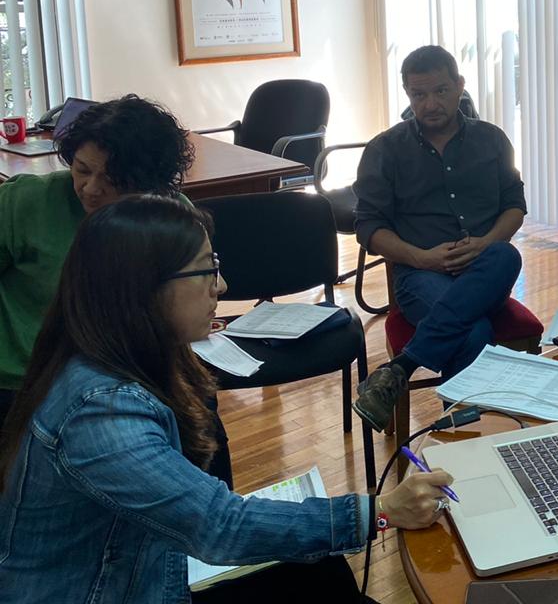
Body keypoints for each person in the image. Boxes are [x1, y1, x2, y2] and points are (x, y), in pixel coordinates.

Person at [0, 195, 453, 603]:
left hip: (143, 566)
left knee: (320, 570)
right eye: (207, 270)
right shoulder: (101, 412)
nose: (220, 286)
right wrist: (380, 511)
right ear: (146, 289)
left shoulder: (122, 356)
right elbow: (220, 526)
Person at [353, 46, 526, 430]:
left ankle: (401, 367)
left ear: (460, 85)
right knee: (475, 331)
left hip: (485, 271)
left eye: (441, 91)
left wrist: (485, 242)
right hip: (420, 276)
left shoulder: (492, 140)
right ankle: (465, 434)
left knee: (506, 256)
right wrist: (421, 257)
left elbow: (515, 205)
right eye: (419, 94)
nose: (430, 104)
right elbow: (368, 228)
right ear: (407, 92)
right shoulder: (385, 149)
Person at [0, 95, 193, 431]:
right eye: (82, 170)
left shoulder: (171, 218)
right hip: (28, 383)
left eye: (112, 180)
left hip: (131, 379)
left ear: (149, 181)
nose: (90, 189)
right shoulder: (28, 203)